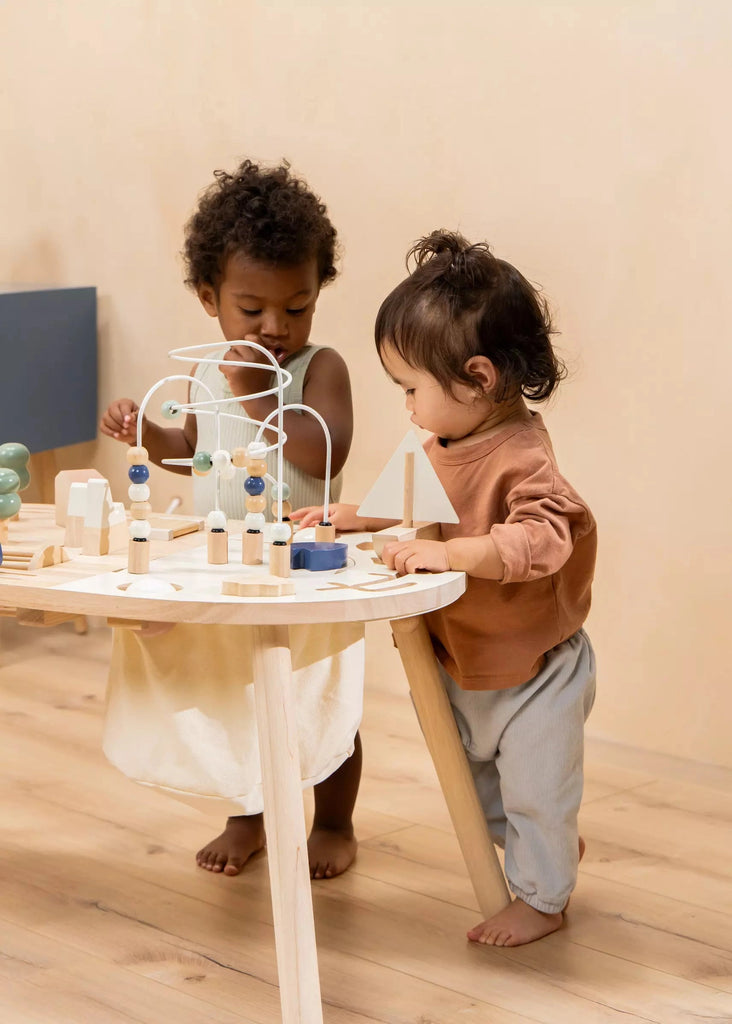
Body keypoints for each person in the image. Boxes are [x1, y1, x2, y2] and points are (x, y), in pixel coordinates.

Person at [293, 229, 597, 945]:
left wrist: (456, 555)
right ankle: (544, 849)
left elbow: (544, 541)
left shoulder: (525, 458)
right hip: (466, 662)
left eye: (411, 389)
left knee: (534, 791)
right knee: (479, 791)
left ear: (479, 378)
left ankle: (544, 897)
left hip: (537, 671)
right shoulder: (443, 441)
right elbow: (409, 486)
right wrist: (350, 516)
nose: (407, 407)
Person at [100, 159, 362, 880]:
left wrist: (260, 397)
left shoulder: (320, 368)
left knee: (317, 693)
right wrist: (146, 432)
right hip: (227, 559)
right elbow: (191, 453)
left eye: (297, 306)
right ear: (209, 297)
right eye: (253, 310)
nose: (277, 327)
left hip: (303, 560)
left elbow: (325, 447)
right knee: (238, 697)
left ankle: (334, 820)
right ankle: (247, 815)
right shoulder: (205, 374)